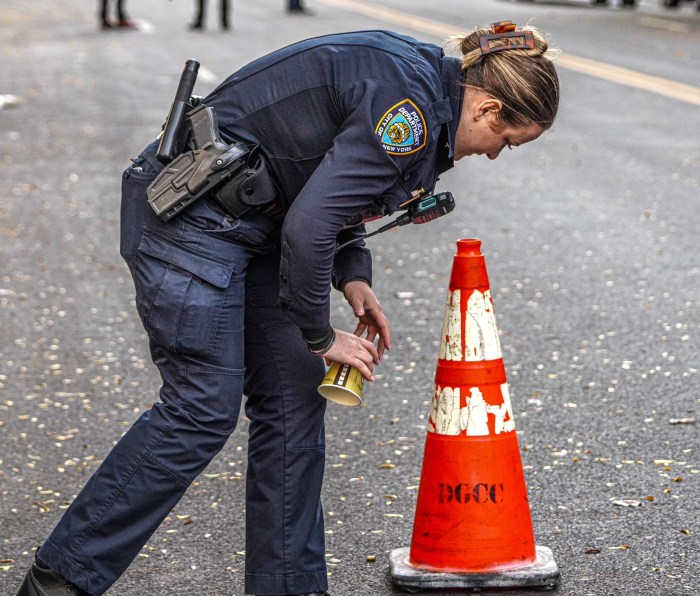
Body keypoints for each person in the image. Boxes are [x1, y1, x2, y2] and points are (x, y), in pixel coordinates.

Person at [16, 21, 559, 596]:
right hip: (191, 221)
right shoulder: (411, 112)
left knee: (294, 403)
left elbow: (323, 185)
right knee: (201, 409)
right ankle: (60, 582)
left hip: (253, 225)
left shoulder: (425, 89)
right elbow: (310, 223)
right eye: (508, 142)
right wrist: (322, 337)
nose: (497, 156)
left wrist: (353, 278)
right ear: (489, 109)